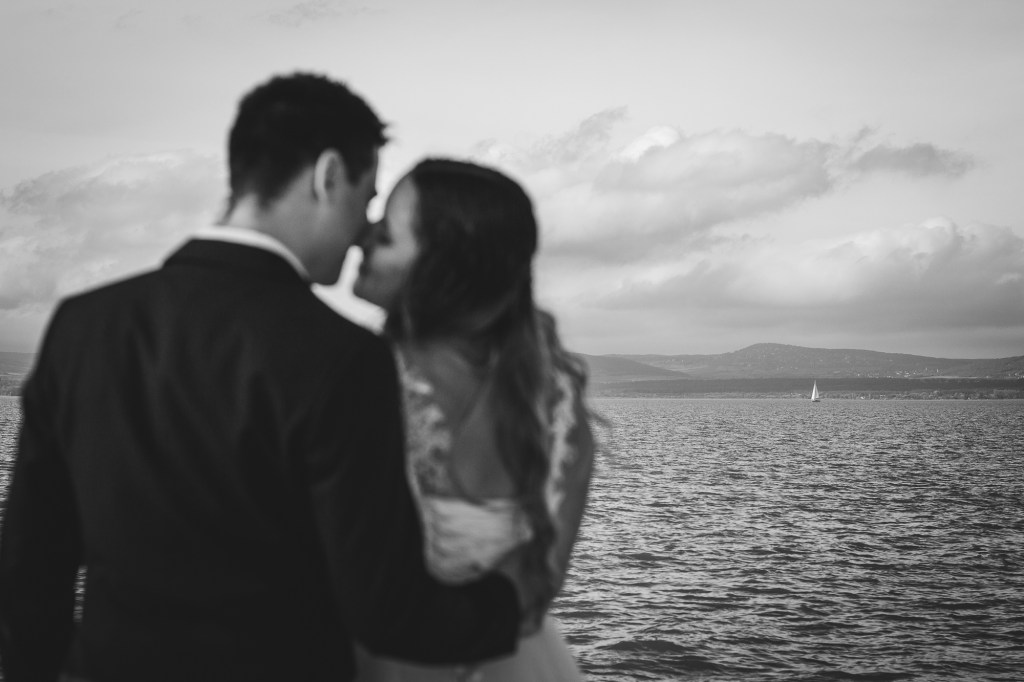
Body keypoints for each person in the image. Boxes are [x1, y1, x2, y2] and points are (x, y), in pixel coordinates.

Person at [0, 74, 522, 682]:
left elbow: (30, 566)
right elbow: (385, 610)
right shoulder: (342, 355)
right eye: (366, 198)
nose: (363, 230)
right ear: (329, 176)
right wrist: (511, 605)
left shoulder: (82, 325)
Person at [352, 159, 595, 680]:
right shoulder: (556, 403)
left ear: (441, 268)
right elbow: (540, 585)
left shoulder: (357, 379)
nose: (361, 237)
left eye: (386, 234)